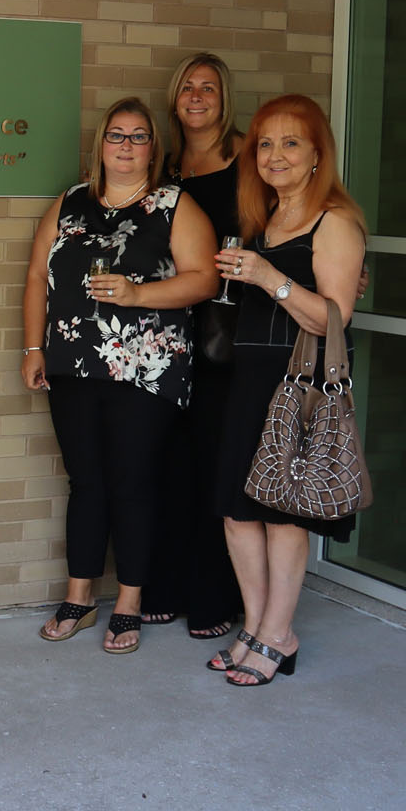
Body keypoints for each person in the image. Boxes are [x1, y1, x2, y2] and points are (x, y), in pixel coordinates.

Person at [23, 96, 219, 654]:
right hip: (73, 362)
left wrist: (139, 294)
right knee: (86, 482)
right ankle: (80, 596)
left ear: (153, 148)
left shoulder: (174, 205)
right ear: (100, 143)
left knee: (132, 484)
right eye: (116, 135)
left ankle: (129, 602)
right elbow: (39, 275)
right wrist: (33, 346)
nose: (126, 145)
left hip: (146, 368)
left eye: (138, 136)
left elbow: (204, 279)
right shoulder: (71, 201)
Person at [208, 94, 367, 686]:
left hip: (297, 385)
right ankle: (254, 627)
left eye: (290, 143)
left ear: (318, 154)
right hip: (250, 378)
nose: (275, 155)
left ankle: (280, 634)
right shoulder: (264, 219)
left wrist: (270, 278)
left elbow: (335, 320)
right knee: (236, 509)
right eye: (265, 144)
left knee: (282, 514)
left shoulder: (336, 221)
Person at [141, 53, 246, 637]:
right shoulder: (164, 164)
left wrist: (339, 269)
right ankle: (165, 583)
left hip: (225, 336)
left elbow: (298, 220)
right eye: (187, 86)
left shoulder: (250, 157)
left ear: (223, 96)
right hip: (161, 333)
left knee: (214, 461)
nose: (196, 95)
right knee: (165, 461)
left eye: (208, 87)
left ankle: (213, 595)